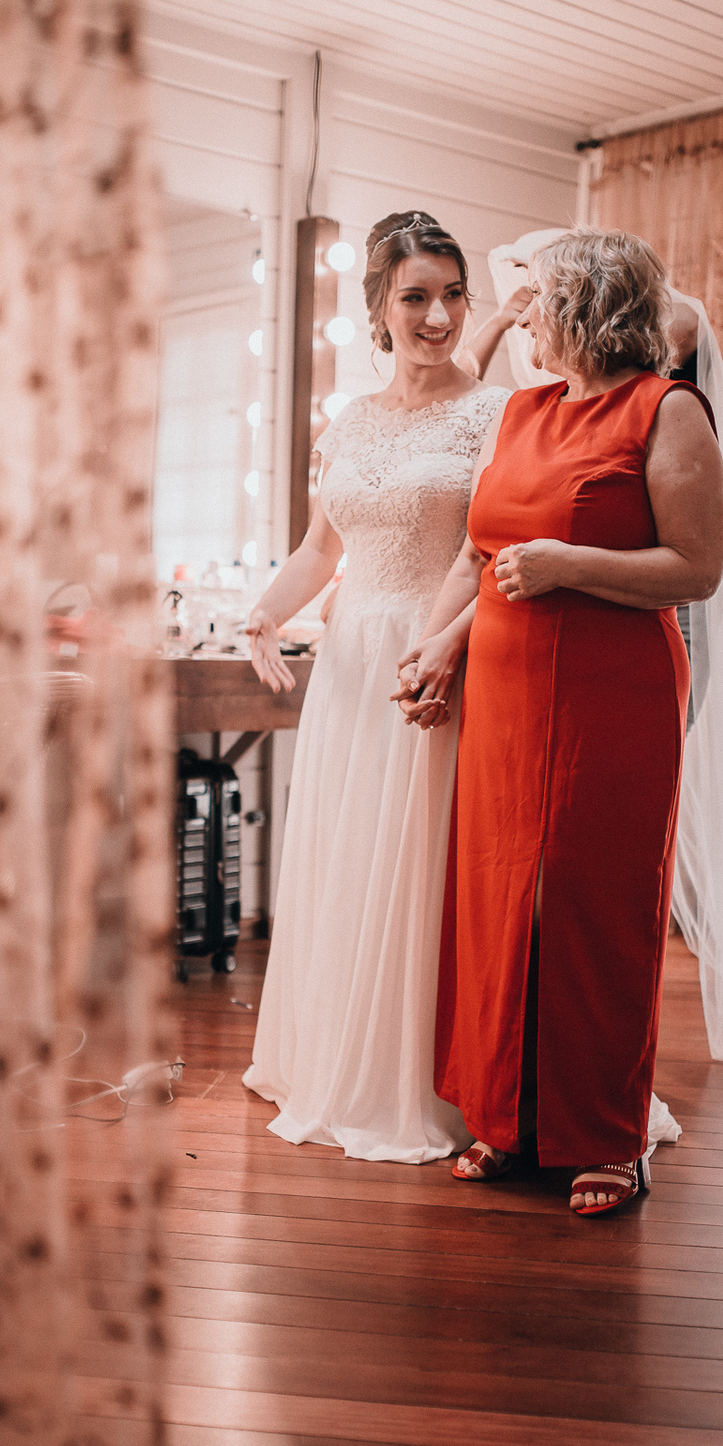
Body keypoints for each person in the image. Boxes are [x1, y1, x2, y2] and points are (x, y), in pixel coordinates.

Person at [397, 228, 723, 1213]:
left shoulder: (666, 411)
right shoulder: (523, 411)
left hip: (612, 692)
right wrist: (434, 647)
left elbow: (697, 569)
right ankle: (505, 1117)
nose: (522, 315)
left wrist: (566, 565)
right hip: (503, 690)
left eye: (536, 298)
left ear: (585, 305)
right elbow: (477, 555)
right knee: (497, 896)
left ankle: (607, 1136)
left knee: (594, 905)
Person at [240, 211, 509, 1163]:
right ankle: (331, 1054)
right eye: (416, 297)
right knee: (349, 850)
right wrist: (265, 613)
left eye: (453, 295)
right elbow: (322, 549)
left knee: (419, 860)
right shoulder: (350, 419)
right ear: (378, 311)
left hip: (434, 655)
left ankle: (419, 1075)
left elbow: (488, 551)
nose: (438, 316)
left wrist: (437, 650)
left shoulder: (495, 414)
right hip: (350, 661)